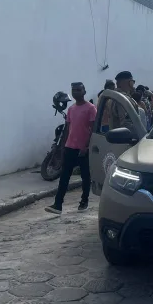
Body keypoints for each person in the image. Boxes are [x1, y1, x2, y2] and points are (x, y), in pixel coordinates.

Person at [46, 82, 95, 214]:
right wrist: (62, 146)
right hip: (70, 147)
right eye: (73, 90)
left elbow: (93, 129)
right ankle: (58, 205)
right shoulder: (71, 109)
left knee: (85, 176)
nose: (76, 92)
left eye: (79, 90)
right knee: (64, 176)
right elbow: (67, 129)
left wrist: (87, 146)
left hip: (83, 149)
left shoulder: (90, 108)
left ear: (84, 91)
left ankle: (84, 201)